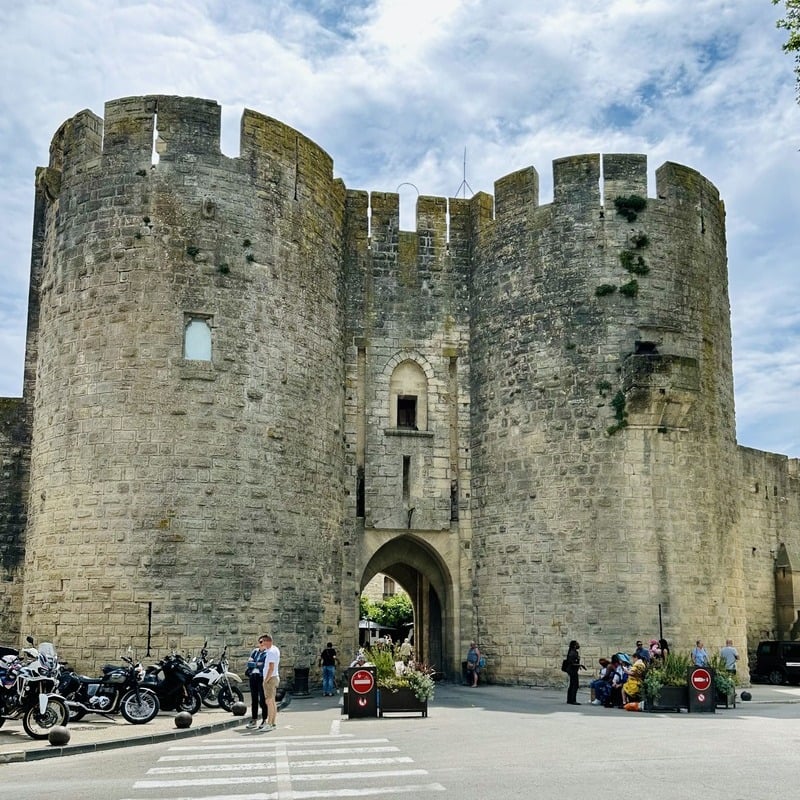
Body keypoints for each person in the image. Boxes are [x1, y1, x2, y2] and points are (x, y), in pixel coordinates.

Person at [245, 635, 268, 729]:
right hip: (253, 676)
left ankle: (264, 720)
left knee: (262, 700)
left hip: (261, 677)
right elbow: (249, 663)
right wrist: (257, 664)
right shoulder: (255, 652)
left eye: (263, 642)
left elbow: (264, 665)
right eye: (260, 642)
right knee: (254, 699)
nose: (261, 644)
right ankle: (254, 719)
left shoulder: (267, 653)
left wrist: (255, 664)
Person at [261, 633, 280, 732]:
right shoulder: (274, 649)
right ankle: (272, 722)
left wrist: (265, 680)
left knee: (269, 701)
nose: (261, 643)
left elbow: (271, 668)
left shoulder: (271, 652)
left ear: (267, 641)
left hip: (270, 678)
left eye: (262, 641)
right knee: (272, 701)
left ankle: (269, 723)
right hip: (274, 677)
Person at [565, 640, 585, 705]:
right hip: (572, 671)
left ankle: (569, 699)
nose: (578, 645)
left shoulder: (574, 652)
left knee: (572, 685)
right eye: (577, 644)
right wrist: (580, 665)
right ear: (574, 645)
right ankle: (573, 700)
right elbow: (571, 663)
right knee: (575, 685)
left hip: (572, 670)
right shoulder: (572, 653)